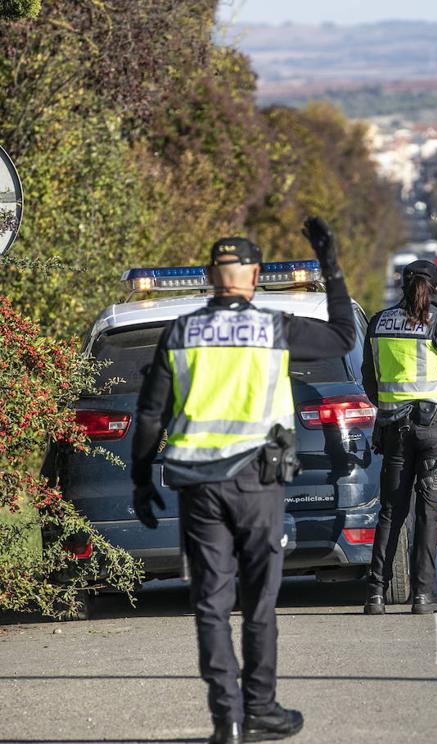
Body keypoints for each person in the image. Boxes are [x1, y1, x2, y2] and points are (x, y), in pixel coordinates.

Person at [130, 219, 355, 744]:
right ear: (254, 275)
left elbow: (149, 416)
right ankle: (261, 708)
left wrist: (142, 480)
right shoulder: (273, 327)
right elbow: (343, 335)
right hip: (257, 483)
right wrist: (331, 264)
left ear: (211, 276)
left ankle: (225, 721)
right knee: (259, 601)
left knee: (210, 602)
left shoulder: (180, 331)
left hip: (198, 487)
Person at [361, 259, 437, 616]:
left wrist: (387, 407)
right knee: (428, 513)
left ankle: (376, 595)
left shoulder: (379, 323)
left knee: (391, 512)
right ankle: (423, 596)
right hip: (434, 429)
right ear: (436, 286)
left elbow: (370, 378)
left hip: (394, 428)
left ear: (402, 286)